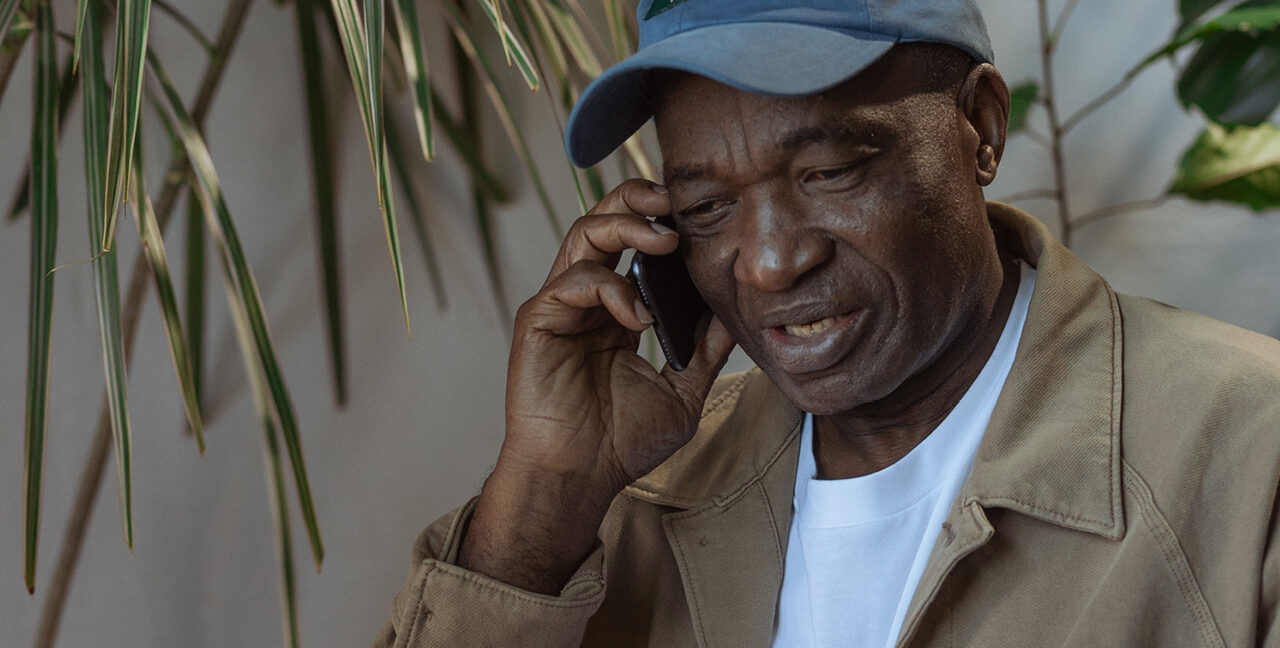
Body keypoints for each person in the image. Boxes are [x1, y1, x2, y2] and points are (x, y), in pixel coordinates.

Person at [373, 1, 1280, 646]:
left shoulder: (1248, 454)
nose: (769, 262)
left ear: (980, 127)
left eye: (833, 171)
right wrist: (541, 509)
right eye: (704, 207)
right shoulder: (627, 503)